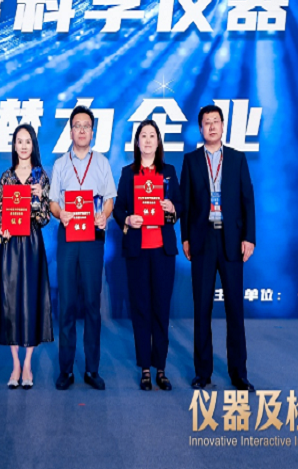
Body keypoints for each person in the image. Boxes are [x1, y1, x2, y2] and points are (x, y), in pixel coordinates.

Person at [180, 105, 256, 392]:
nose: (211, 126)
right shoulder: (191, 161)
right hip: (202, 240)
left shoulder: (236, 158)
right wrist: (185, 238)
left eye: (216, 121)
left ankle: (239, 374)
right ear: (200, 128)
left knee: (235, 308)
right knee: (202, 309)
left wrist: (249, 237)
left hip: (232, 239)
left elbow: (248, 199)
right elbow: (186, 204)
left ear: (223, 126)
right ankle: (203, 373)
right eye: (206, 122)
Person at [49, 105, 117, 390]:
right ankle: (66, 370)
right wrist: (60, 213)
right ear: (71, 131)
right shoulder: (60, 164)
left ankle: (91, 369)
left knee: (91, 303)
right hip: (67, 237)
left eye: (86, 126)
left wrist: (104, 215)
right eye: (76, 125)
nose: (81, 130)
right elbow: (53, 202)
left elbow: (109, 198)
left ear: (92, 132)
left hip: (92, 239)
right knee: (66, 304)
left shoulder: (101, 162)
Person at [113, 120, 181, 391]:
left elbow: (180, 206)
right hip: (138, 251)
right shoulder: (128, 173)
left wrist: (173, 207)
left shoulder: (169, 172)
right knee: (141, 308)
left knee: (161, 309)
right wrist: (128, 219)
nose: (148, 140)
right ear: (137, 142)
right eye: (144, 135)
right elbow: (118, 208)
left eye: (153, 135)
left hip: (163, 250)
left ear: (158, 141)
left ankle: (160, 368)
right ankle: (144, 368)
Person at [0, 124, 54, 389]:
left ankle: (28, 363)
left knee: (32, 300)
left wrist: (39, 197)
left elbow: (45, 218)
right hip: (11, 244)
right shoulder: (6, 177)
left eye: (28, 141)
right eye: (19, 141)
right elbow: (0, 213)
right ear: (14, 145)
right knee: (11, 302)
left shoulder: (41, 176)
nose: (23, 146)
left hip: (33, 244)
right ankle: (15, 363)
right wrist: (2, 231)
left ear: (33, 145)